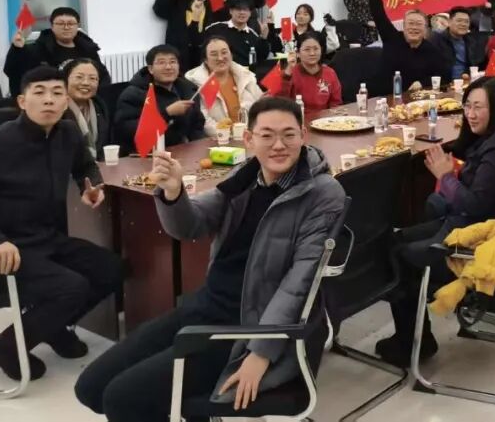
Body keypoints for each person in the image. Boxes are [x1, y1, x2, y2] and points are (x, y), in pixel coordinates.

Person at [75, 97, 345, 421]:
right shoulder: (247, 176)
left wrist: (260, 353)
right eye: (267, 135)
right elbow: (191, 226)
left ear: (303, 134)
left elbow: (298, 283)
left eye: (289, 135)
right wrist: (173, 193)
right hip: (205, 308)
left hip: (247, 327)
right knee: (90, 388)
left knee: (122, 400)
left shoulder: (321, 193)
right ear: (249, 139)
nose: (278, 145)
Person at [0, 66, 122, 381]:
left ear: (66, 101)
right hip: (5, 245)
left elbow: (85, 165)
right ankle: (5, 347)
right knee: (71, 287)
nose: (49, 100)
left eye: (57, 93)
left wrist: (90, 185)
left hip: (47, 237)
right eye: (39, 93)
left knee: (111, 269)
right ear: (22, 102)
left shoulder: (67, 132)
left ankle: (52, 326)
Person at [375, 77, 495, 367]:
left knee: (400, 256)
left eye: (479, 107)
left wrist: (445, 176)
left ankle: (413, 344)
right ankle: (412, 333)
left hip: (475, 237)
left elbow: (475, 204)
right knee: (395, 240)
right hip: (473, 223)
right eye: (467, 106)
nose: (470, 114)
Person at [367, 0, 448, 94]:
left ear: (425, 29)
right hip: (383, 97)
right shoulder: (392, 38)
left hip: (413, 101)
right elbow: (378, 12)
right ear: (403, 26)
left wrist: (422, 83)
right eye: (410, 23)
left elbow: (444, 76)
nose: (414, 27)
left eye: (419, 24)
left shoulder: (431, 50)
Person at [113, 45, 205, 154]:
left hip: (183, 151)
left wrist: (199, 148)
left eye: (172, 62)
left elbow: (197, 124)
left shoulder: (187, 88)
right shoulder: (134, 94)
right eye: (161, 63)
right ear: (150, 69)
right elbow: (128, 131)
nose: (168, 67)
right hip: (146, 155)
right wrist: (167, 113)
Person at [4, 6, 111, 96]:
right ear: (52, 26)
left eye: (71, 24)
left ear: (77, 26)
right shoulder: (37, 49)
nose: (66, 27)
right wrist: (17, 49)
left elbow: (102, 76)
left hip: (84, 99)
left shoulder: (88, 49)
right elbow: (13, 71)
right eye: (61, 24)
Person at [268, 32, 343, 115]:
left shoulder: (330, 73)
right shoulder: (287, 73)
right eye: (307, 49)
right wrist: (288, 72)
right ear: (298, 53)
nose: (312, 53)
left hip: (324, 119)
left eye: (316, 49)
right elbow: (278, 103)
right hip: (295, 119)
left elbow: (336, 104)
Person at [152, 0, 211, 70]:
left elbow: (219, 20)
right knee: (182, 74)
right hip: (181, 47)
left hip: (201, 48)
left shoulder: (209, 1)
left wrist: (225, 1)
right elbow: (159, 10)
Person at [205, 0, 280, 70]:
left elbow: (261, 58)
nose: (242, 12)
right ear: (231, 11)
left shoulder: (252, 35)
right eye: (238, 9)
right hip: (221, 71)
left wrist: (263, 37)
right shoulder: (216, 28)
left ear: (250, 13)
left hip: (246, 73)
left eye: (245, 10)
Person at [61, 58, 110, 161]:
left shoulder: (100, 107)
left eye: (93, 78)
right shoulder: (57, 110)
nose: (86, 83)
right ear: (65, 80)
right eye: (79, 77)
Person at [431, 6, 488, 81]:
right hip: (445, 84)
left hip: (466, 82)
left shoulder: (471, 41)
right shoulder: (437, 40)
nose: (463, 24)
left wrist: (467, 73)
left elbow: (476, 64)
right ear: (449, 22)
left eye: (466, 21)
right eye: (459, 20)